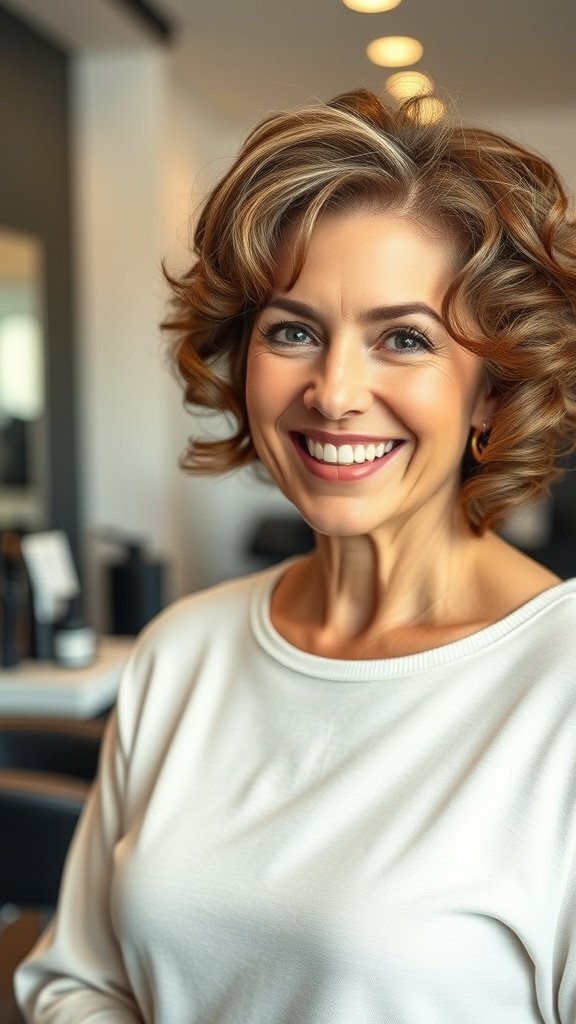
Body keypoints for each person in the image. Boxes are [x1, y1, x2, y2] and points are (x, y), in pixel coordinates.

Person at [15, 88, 576, 1023]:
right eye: (293, 331)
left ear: (491, 392)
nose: (335, 390)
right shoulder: (182, 651)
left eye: (404, 338)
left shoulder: (559, 689)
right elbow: (75, 980)